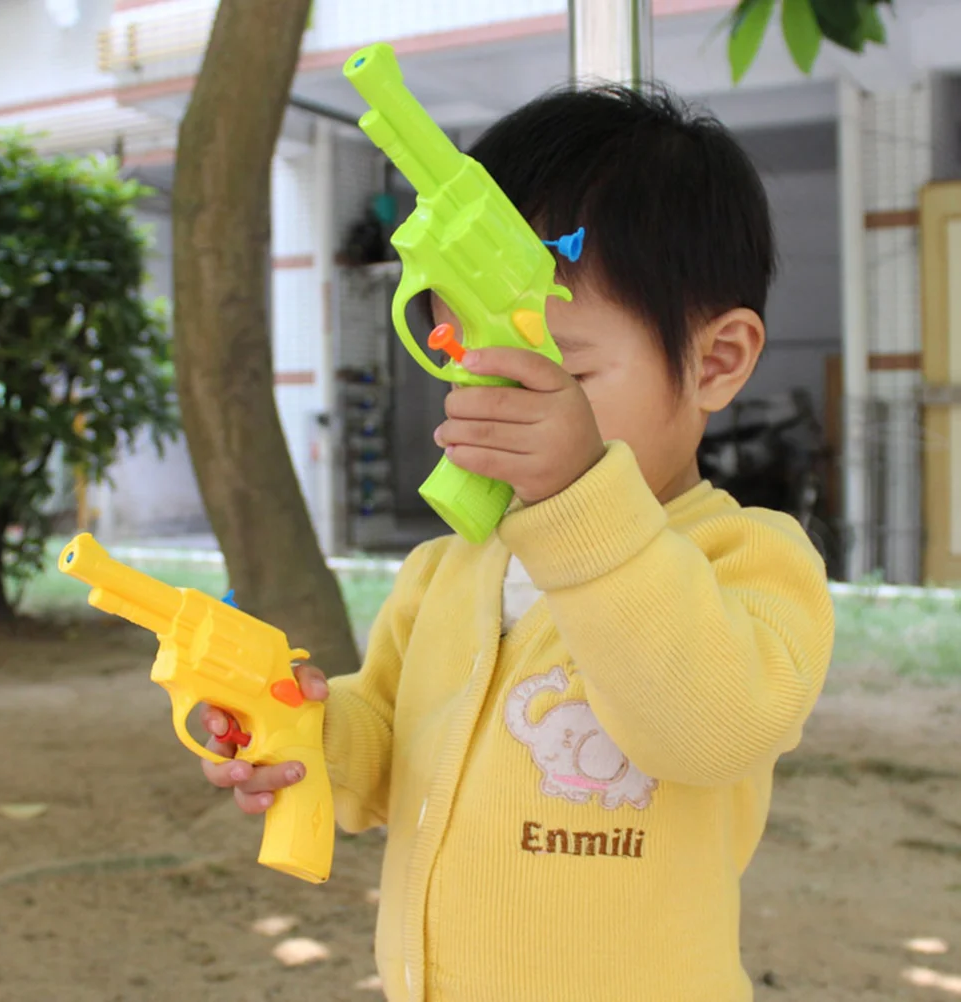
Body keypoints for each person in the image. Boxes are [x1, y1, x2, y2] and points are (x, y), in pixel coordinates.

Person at [200, 82, 835, 1001]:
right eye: (472, 365)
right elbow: (385, 749)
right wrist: (302, 729)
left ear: (718, 361)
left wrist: (583, 498)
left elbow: (707, 728)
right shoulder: (450, 568)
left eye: (564, 372)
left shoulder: (752, 560)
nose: (497, 405)